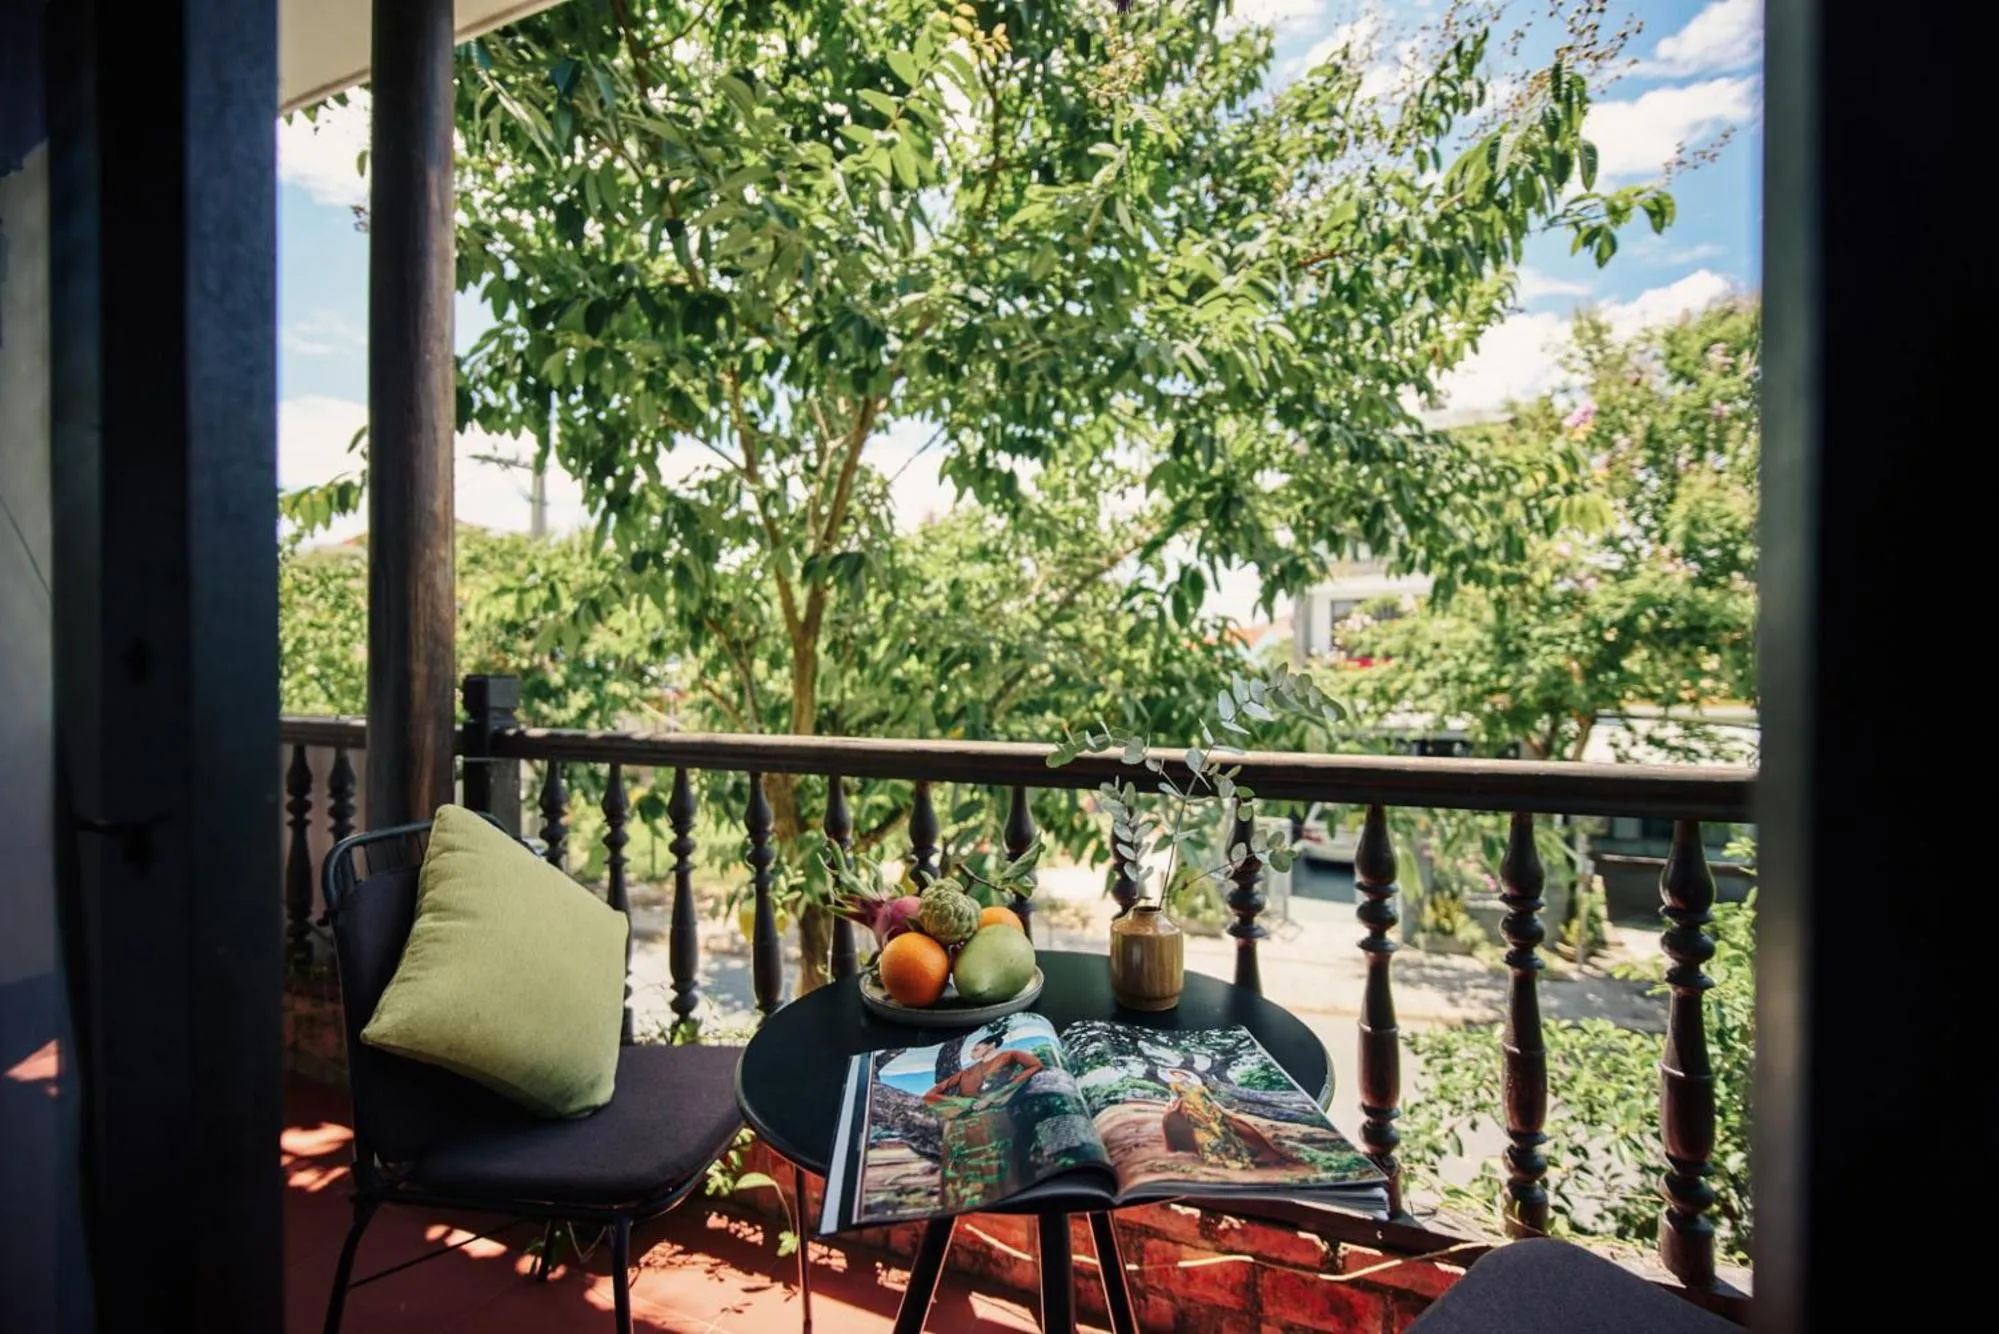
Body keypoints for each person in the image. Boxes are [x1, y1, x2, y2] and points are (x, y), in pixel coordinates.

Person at [1159, 1067, 1300, 1170]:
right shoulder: (1175, 1085)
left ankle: (1235, 1155)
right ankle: (1213, 1157)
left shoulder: (1200, 1088)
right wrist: (1170, 1106)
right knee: (1201, 1132)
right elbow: (1174, 1097)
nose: (1179, 1076)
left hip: (1209, 1110)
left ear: (1186, 1075)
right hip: (1191, 1111)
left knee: (1222, 1131)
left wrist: (1222, 1110)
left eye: (1180, 1074)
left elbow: (1211, 1100)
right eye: (1176, 1075)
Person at [923, 1035, 1043, 1116]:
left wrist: (994, 1096)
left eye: (976, 1049)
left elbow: (1035, 1065)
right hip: (964, 1107)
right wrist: (963, 1103)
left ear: (991, 1045)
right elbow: (937, 1089)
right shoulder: (968, 1070)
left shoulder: (1010, 1055)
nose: (971, 1054)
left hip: (993, 1104)